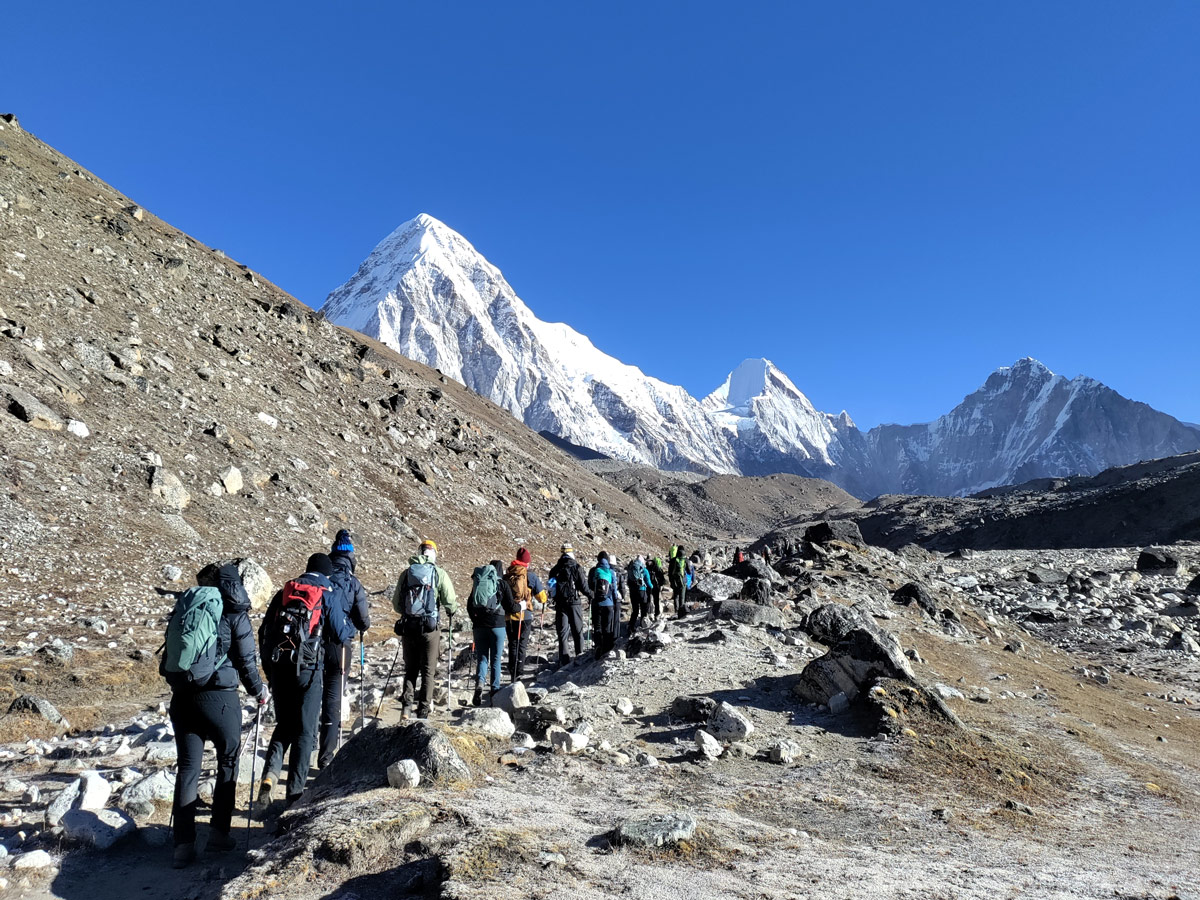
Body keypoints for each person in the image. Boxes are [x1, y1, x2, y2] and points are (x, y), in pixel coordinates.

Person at [162, 562, 268, 868]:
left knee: (188, 769)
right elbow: (247, 660)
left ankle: (183, 845)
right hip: (220, 699)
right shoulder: (235, 613)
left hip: (183, 697)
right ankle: (219, 834)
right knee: (228, 760)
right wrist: (259, 691)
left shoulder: (189, 607)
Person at [259, 553, 335, 808]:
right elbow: (338, 631)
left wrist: (269, 669)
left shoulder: (285, 592)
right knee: (305, 729)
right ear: (325, 574)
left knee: (284, 725)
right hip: (309, 670)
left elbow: (264, 631)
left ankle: (269, 777)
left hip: (280, 666)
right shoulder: (324, 594)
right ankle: (294, 792)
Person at [318, 529, 372, 770]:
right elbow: (362, 619)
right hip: (340, 646)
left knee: (312, 695)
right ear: (351, 558)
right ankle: (326, 755)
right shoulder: (353, 582)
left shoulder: (323, 578)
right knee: (333, 696)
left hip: (315, 644)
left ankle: (306, 743)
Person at [392, 538, 458, 719]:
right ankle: (423, 710)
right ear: (434, 554)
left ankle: (406, 707)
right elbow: (450, 601)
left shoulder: (406, 574)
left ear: (419, 552)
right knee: (428, 670)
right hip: (429, 628)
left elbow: (397, 605)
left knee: (410, 668)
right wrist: (451, 611)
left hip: (408, 627)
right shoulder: (439, 573)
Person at [468, 560, 520, 706]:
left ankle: (479, 685)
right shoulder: (502, 584)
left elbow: (469, 605)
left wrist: (476, 621)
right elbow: (511, 606)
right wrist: (520, 606)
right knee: (496, 659)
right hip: (498, 625)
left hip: (479, 627)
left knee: (482, 658)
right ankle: (495, 691)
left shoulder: (478, 584)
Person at [505, 547, 546, 680]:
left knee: (512, 643)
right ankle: (519, 672)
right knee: (522, 643)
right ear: (527, 562)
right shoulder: (531, 576)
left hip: (509, 615)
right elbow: (542, 597)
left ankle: (512, 671)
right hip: (525, 615)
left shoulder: (508, 574)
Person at [548, 543, 592, 666]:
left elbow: (551, 587)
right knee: (577, 630)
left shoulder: (555, 569)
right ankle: (580, 657)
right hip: (574, 602)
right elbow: (583, 587)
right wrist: (590, 595)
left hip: (560, 604)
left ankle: (564, 660)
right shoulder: (576, 567)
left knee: (562, 633)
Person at [588, 552, 622, 659]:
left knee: (597, 627)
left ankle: (598, 646)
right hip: (609, 604)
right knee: (607, 627)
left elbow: (590, 586)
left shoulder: (593, 571)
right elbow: (614, 589)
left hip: (597, 603)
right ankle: (606, 650)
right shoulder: (611, 572)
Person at [626, 555, 653, 632]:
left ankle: (631, 626)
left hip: (632, 591)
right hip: (641, 591)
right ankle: (643, 626)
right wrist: (652, 587)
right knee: (644, 609)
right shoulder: (644, 570)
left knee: (635, 610)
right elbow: (648, 583)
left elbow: (628, 581)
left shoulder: (631, 569)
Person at [669, 546, 689, 619]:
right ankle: (682, 612)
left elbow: (669, 572)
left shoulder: (673, 560)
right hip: (683, 581)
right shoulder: (685, 560)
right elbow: (689, 570)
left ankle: (676, 611)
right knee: (682, 597)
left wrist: (671, 581)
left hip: (675, 581)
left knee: (676, 596)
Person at [647, 556, 666, 621]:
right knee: (655, 600)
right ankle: (656, 614)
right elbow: (662, 577)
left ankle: (652, 614)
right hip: (655, 586)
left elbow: (662, 578)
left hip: (651, 587)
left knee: (652, 600)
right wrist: (660, 584)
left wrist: (660, 584)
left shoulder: (648, 568)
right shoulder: (656, 567)